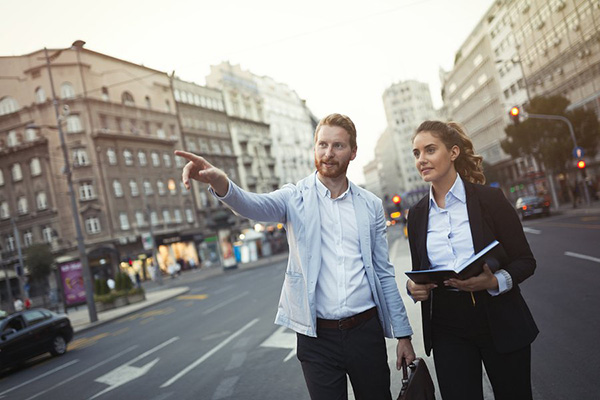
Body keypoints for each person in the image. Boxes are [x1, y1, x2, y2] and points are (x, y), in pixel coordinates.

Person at [176, 113, 415, 400]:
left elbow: (383, 272)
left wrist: (403, 335)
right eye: (322, 144)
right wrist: (222, 184)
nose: (328, 153)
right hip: (316, 338)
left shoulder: (371, 206)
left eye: (338, 146)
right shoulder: (295, 197)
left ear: (353, 152)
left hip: (365, 331)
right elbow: (254, 206)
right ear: (314, 148)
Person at [406, 121, 538, 400]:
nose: (422, 160)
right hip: (446, 326)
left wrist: (495, 280)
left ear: (453, 152)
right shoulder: (417, 214)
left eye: (430, 150)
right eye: (416, 153)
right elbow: (419, 272)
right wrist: (413, 288)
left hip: (499, 316)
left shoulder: (490, 199)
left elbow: (525, 260)